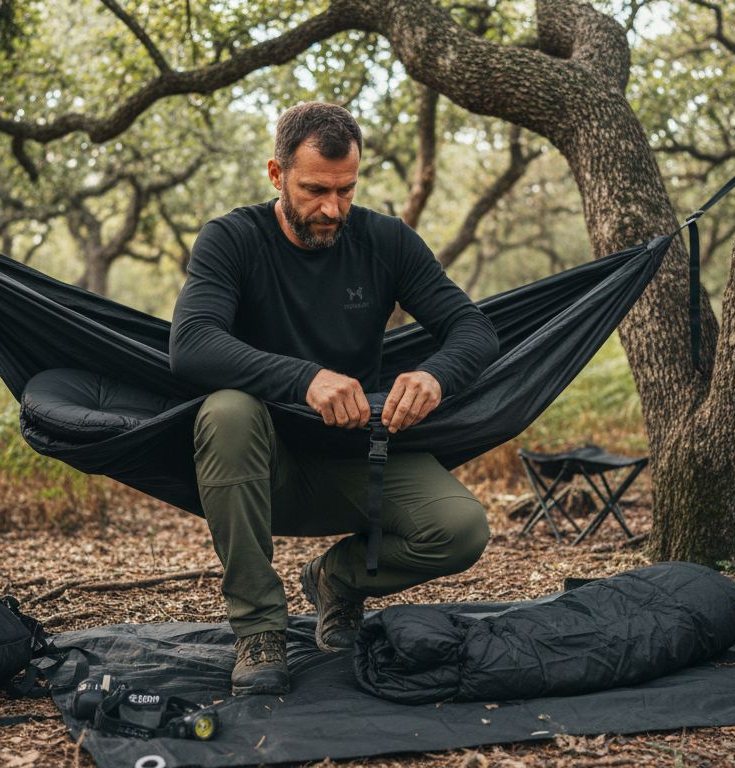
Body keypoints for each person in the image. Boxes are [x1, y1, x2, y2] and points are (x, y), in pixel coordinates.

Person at [169, 102, 500, 696]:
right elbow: (191, 345)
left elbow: (474, 330)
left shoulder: (385, 240)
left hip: (362, 459)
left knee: (462, 528)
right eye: (315, 189)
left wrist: (435, 376)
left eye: (346, 190)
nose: (332, 208)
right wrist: (305, 378)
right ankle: (259, 629)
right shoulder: (231, 239)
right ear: (276, 174)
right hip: (261, 468)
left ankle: (336, 580)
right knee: (226, 410)